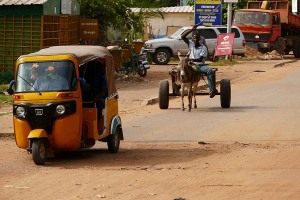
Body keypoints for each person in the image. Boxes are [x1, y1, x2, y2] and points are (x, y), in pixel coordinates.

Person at [181, 25, 217, 98]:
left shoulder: (203, 47)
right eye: (193, 37)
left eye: (196, 37)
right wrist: (191, 30)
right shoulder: (190, 44)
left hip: (199, 65)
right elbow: (183, 37)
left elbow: (200, 59)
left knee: (210, 71)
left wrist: (190, 60)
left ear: (199, 39)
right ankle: (179, 86)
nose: (194, 38)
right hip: (190, 64)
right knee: (180, 70)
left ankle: (212, 90)